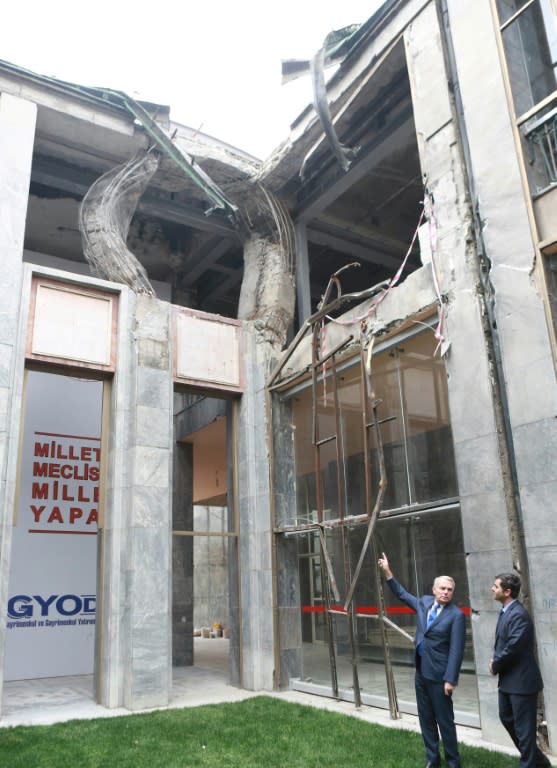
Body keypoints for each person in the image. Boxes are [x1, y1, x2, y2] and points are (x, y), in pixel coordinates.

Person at [378, 552, 465, 768]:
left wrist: (450, 679)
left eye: (449, 590)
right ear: (434, 590)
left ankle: (453, 762)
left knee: (445, 722)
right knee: (426, 719)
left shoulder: (456, 615)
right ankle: (432, 759)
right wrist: (388, 572)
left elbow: (457, 650)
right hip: (421, 672)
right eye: (442, 588)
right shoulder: (424, 603)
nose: (445, 592)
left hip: (440, 676)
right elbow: (402, 594)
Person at [489, 573, 550, 768]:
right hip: (508, 681)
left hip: (522, 683)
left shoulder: (518, 614)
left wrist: (495, 664)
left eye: (496, 586)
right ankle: (539, 760)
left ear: (507, 592)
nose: (492, 589)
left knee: (524, 730)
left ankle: (529, 764)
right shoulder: (506, 611)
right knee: (506, 717)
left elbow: (513, 647)